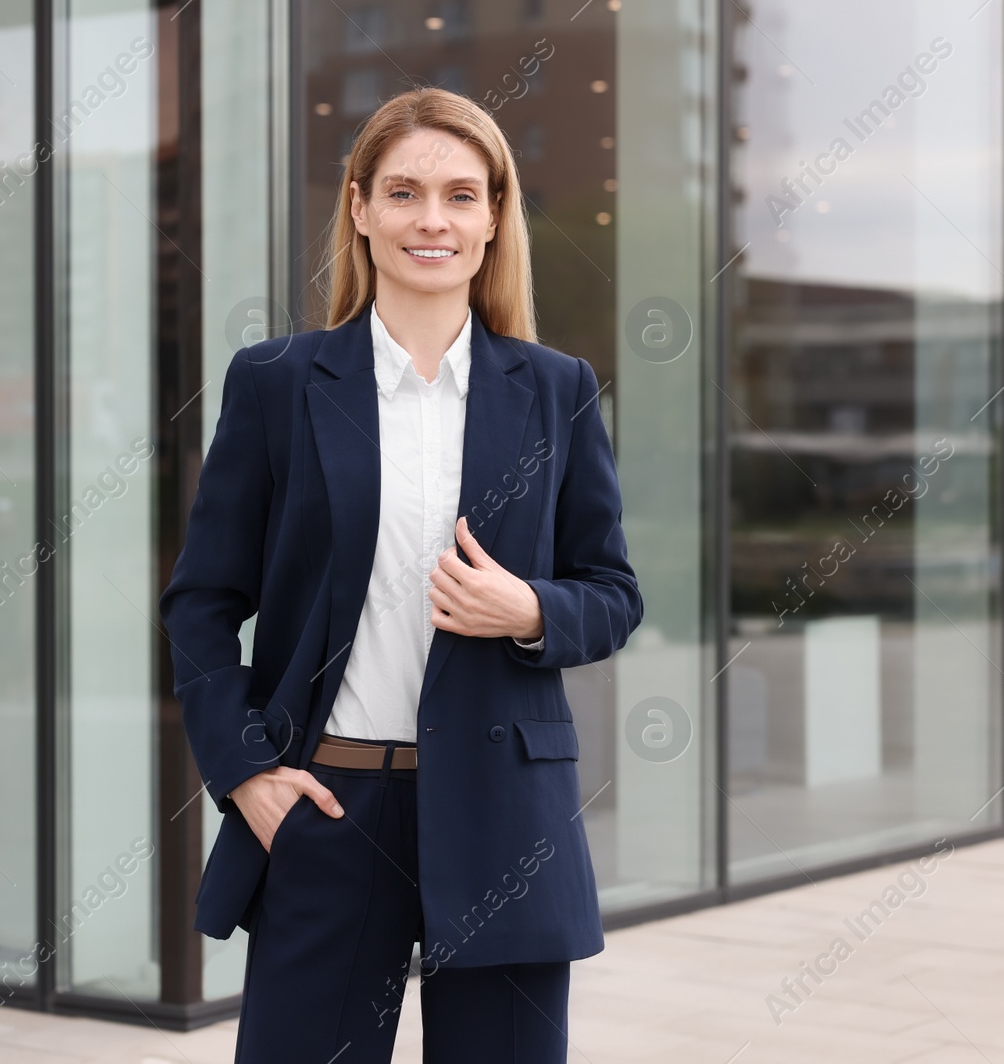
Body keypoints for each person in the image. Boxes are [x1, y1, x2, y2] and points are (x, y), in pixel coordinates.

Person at [159, 86, 642, 1064]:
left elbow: (613, 592)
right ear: (360, 208)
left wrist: (528, 607)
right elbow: (202, 602)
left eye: (462, 195)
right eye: (405, 191)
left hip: (505, 814)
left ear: (494, 216)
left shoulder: (557, 388)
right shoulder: (277, 382)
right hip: (328, 811)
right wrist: (244, 770)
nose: (433, 218)